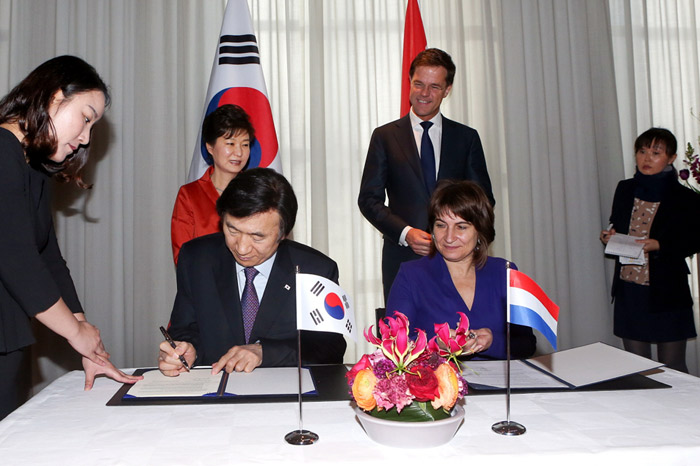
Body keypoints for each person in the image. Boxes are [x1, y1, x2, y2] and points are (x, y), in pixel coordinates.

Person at [0, 55, 141, 420]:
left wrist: (86, 336)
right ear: (54, 97)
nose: (84, 138)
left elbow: (47, 256)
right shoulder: (0, 150)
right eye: (86, 118)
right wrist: (74, 333)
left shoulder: (32, 166)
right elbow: (16, 259)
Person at [158, 168, 347, 376]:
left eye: (257, 237)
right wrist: (186, 351)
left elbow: (331, 348)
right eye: (232, 230)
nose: (242, 248)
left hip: (284, 398)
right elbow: (184, 329)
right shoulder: (196, 258)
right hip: (214, 393)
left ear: (283, 233)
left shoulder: (315, 270)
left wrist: (264, 352)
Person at [358, 48, 494, 301]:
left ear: (447, 89)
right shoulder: (385, 136)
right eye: (418, 84)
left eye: (434, 87)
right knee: (405, 337)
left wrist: (458, 235)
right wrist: (405, 233)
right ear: (409, 82)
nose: (424, 94)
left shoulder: (466, 138)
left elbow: (483, 200)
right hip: (403, 259)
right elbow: (368, 200)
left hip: (459, 261)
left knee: (458, 335)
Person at [386, 180, 536, 360]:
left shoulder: (505, 272)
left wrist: (492, 342)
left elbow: (527, 344)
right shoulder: (410, 275)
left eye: (461, 227)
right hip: (435, 385)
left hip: (497, 386)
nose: (449, 237)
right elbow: (393, 344)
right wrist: (435, 345)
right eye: (441, 225)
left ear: (480, 230)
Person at [600, 128, 700, 373]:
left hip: (667, 291)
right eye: (642, 151)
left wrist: (660, 245)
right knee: (636, 367)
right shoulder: (625, 189)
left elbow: (695, 239)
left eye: (655, 153)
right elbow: (618, 225)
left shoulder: (684, 198)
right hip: (630, 288)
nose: (646, 158)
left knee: (674, 367)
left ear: (671, 158)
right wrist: (610, 236)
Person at [171, 104, 253, 264]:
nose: (239, 152)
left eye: (245, 144)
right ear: (210, 147)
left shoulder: (257, 192)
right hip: (204, 284)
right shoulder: (189, 195)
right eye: (230, 143)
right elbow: (183, 257)